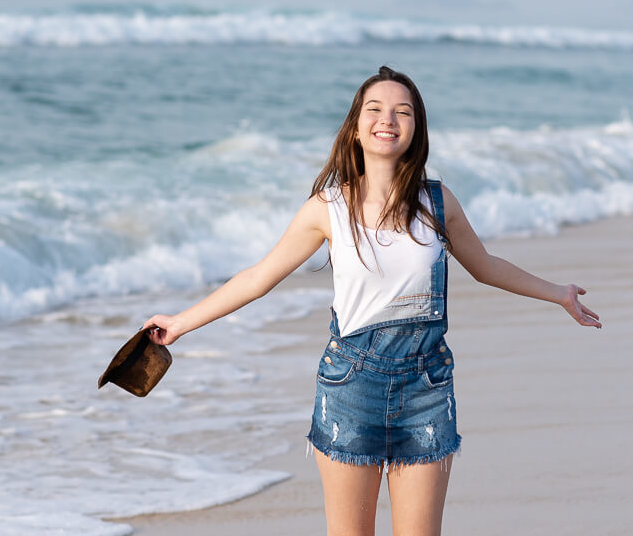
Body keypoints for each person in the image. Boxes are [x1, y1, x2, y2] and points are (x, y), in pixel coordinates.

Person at [143, 66, 601, 536]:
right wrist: (180, 323)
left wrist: (558, 294)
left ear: (415, 129)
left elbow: (485, 266)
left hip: (427, 385)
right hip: (350, 387)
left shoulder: (437, 204)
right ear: (356, 127)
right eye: (375, 109)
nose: (389, 119)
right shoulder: (328, 208)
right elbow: (260, 277)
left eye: (403, 111)